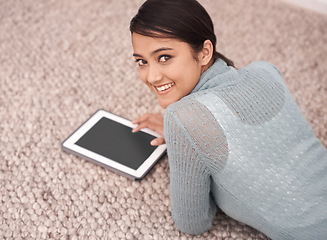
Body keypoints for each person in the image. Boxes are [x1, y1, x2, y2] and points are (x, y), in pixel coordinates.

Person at [129, 0, 327, 239]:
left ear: (204, 53)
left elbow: (193, 223)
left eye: (164, 57)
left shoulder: (183, 118)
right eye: (142, 61)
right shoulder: (265, 70)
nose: (151, 76)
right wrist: (183, 135)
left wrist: (182, 138)